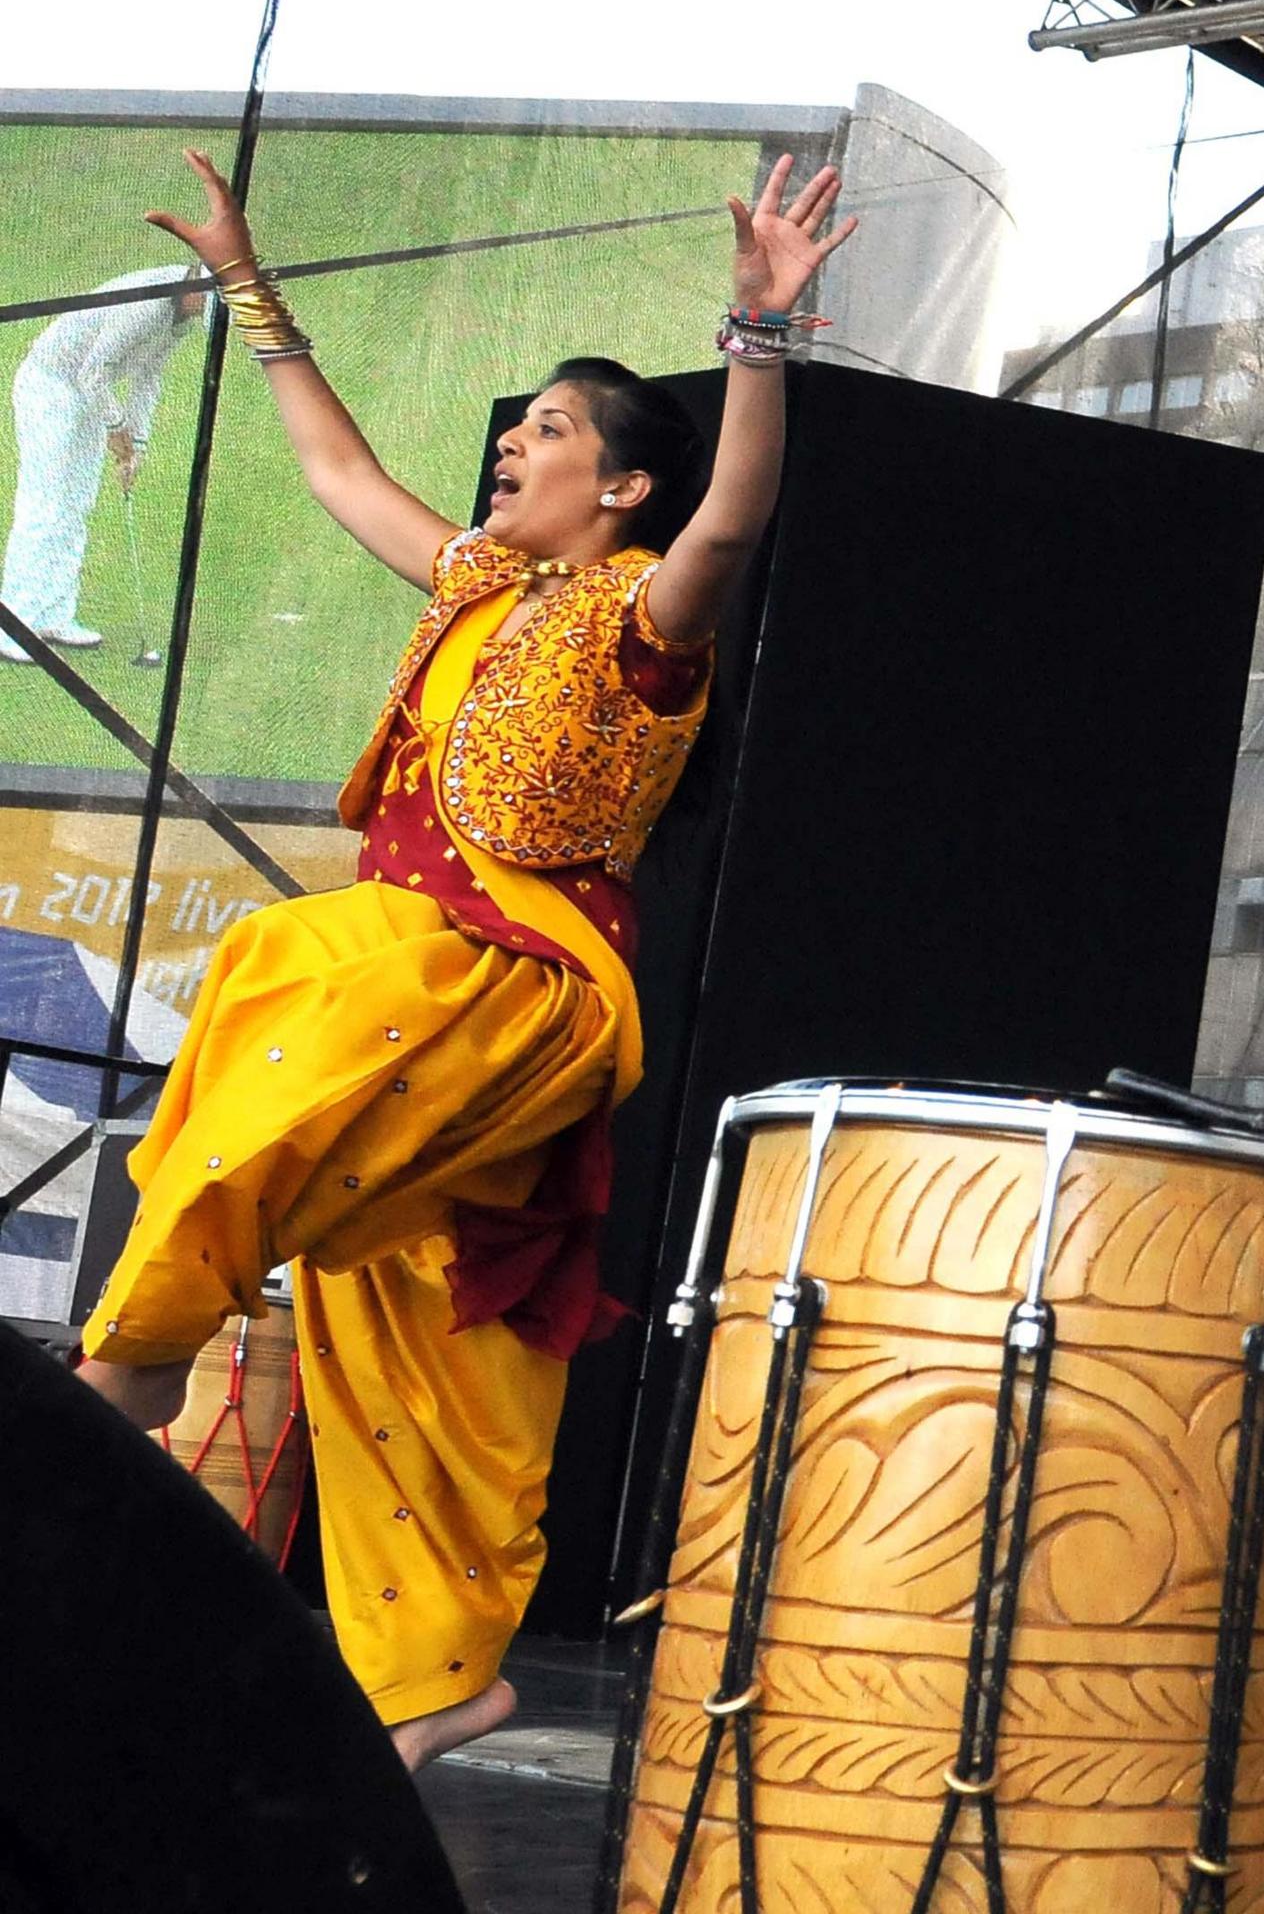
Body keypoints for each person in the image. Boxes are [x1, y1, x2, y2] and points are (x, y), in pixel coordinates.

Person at [72, 147, 856, 1769]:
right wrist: (247, 285)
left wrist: (757, 336)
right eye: (518, 428)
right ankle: (436, 1685)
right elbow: (341, 471)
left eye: (553, 431)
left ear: (624, 489)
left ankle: (139, 1360)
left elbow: (741, 513)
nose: (517, 443)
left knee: (291, 970)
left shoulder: (648, 610)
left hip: (518, 988)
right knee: (421, 1339)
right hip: (432, 1017)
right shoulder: (479, 583)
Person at [5, 263, 207, 657]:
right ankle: (13, 626)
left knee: (76, 504)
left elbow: (149, 377)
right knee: (45, 505)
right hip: (50, 387)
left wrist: (138, 446)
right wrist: (117, 429)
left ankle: (53, 616)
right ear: (195, 284)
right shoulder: (148, 305)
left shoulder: (183, 314)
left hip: (88, 392)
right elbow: (92, 370)